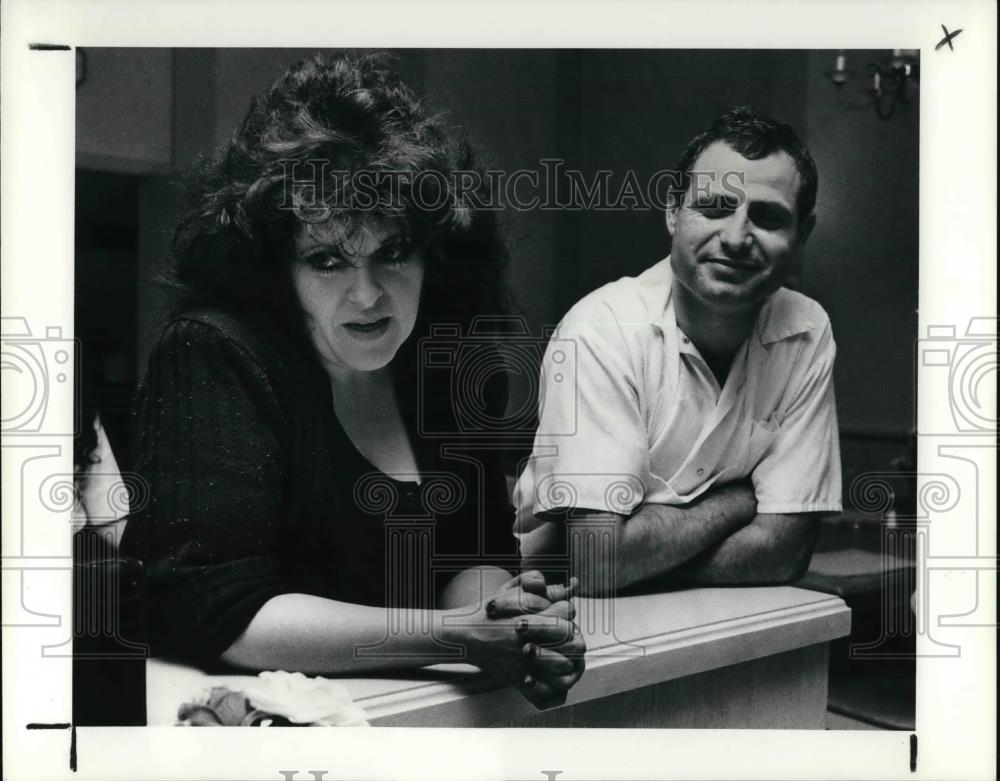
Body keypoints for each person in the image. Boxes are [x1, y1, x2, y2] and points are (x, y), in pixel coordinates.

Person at [121, 53, 584, 710]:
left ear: (434, 251)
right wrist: (456, 636)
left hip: (419, 718)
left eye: (392, 252)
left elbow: (471, 551)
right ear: (279, 266)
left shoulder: (446, 360)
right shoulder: (214, 353)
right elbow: (216, 607)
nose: (367, 294)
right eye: (328, 258)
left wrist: (509, 622)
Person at [516, 107, 842, 595]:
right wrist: (742, 502)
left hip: (718, 618)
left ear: (802, 235)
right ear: (673, 212)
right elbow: (599, 563)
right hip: (560, 617)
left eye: (767, 216)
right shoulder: (601, 329)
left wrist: (635, 560)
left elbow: (787, 552)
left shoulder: (806, 329)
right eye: (713, 207)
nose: (735, 238)